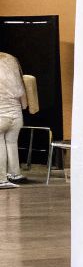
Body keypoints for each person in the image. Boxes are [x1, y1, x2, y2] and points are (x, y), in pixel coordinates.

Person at [0, 52, 25, 188]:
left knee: (0, 145)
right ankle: (15, 173)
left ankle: (1, 179)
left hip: (1, 115)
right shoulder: (13, 65)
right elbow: (23, 96)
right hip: (16, 115)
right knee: (11, 143)